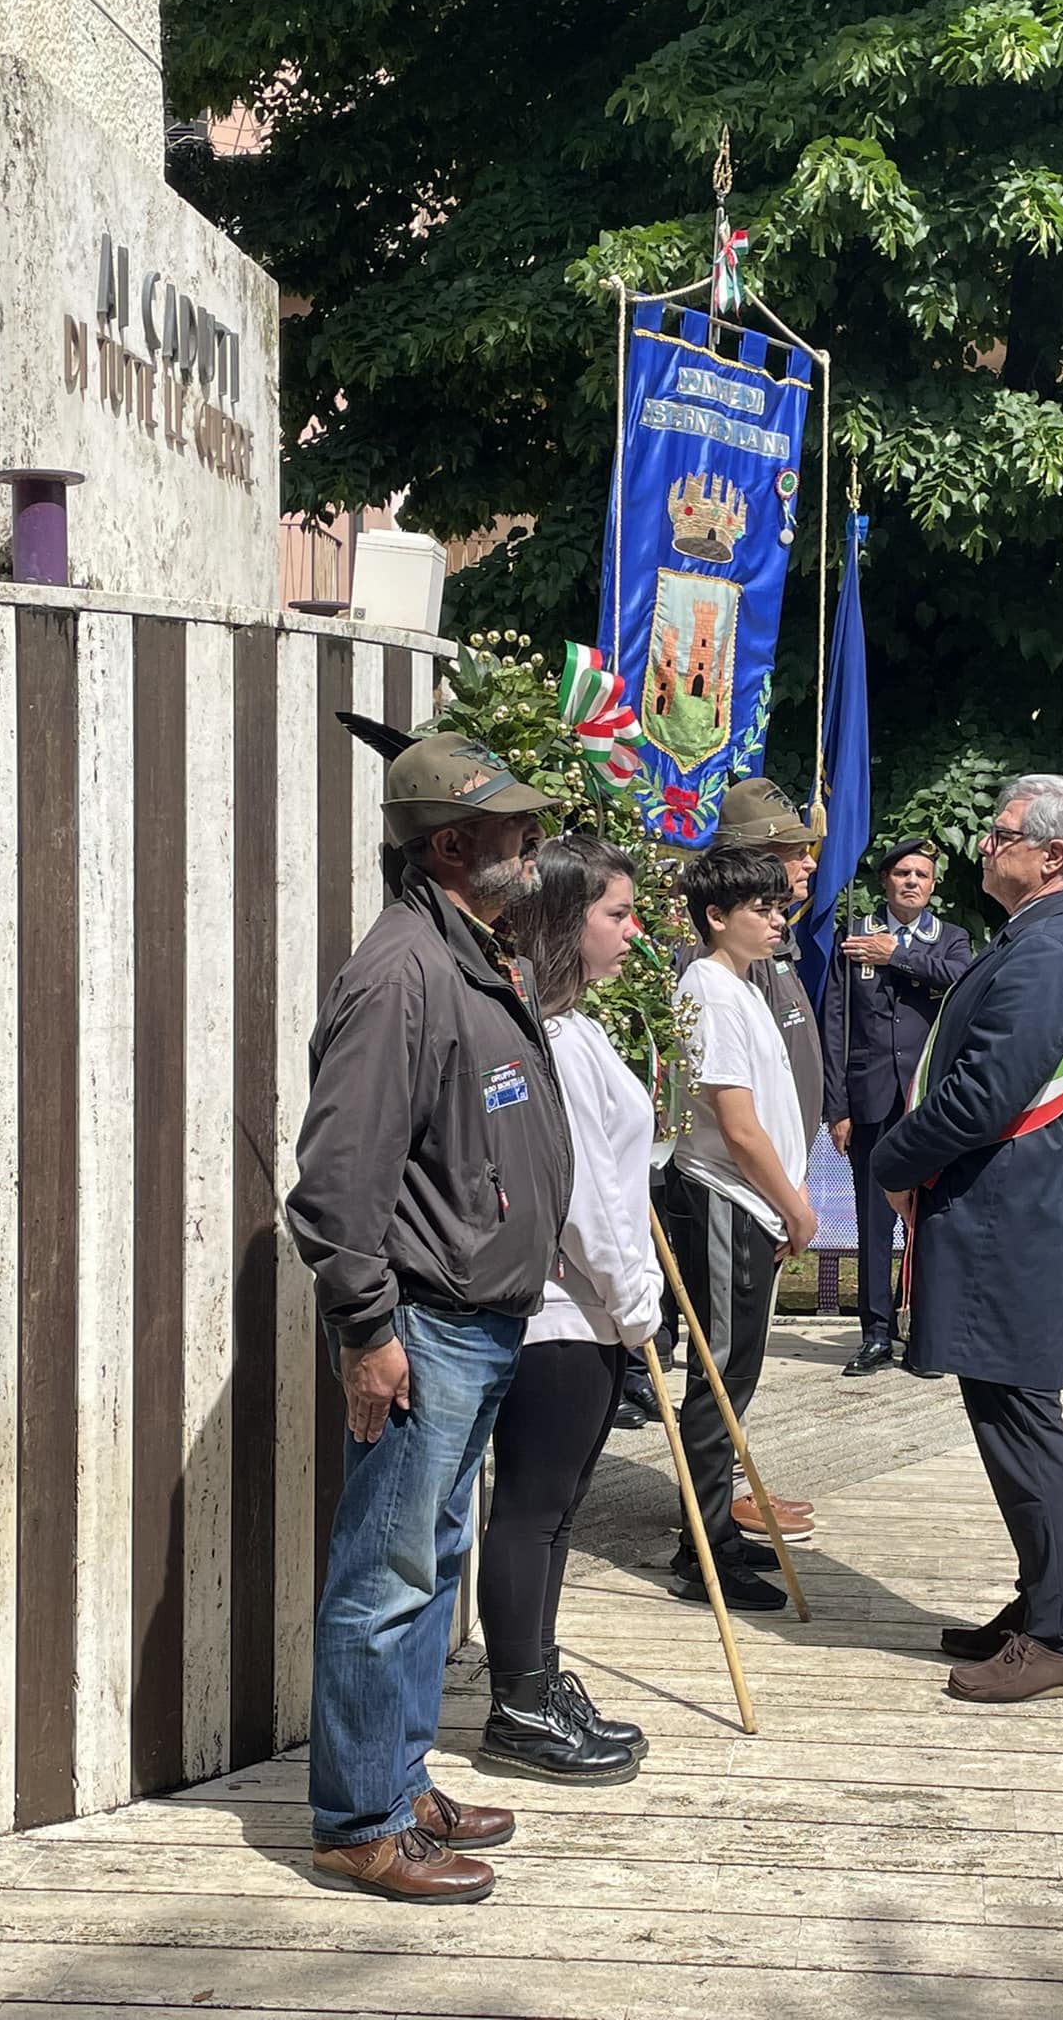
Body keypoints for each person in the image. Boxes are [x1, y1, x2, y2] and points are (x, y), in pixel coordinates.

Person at [288, 731, 571, 1904]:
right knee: (388, 1572)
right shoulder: (405, 969)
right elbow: (336, 1178)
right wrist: (369, 1329)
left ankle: (399, 1783)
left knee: (429, 1558)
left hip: (472, 1317)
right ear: (451, 845)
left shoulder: (467, 953)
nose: (532, 843)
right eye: (513, 829)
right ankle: (361, 1819)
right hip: (427, 1321)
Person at [873, 774, 1063, 1706]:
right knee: (1006, 1414)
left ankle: (1059, 1633)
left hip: (1008, 1216)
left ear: (1051, 857)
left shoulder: (1053, 947)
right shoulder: (1048, 936)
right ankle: (1038, 1601)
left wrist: (895, 1160)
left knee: (1021, 1419)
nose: (985, 845)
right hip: (1007, 1212)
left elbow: (984, 1095)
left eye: (1003, 833)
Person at [475, 835, 665, 1781]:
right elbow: (579, 1190)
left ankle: (539, 1682)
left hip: (594, 1308)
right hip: (561, 1307)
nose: (633, 932)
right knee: (534, 1510)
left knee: (558, 1513)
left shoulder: (576, 1028)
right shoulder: (544, 1039)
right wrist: (636, 1303)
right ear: (563, 921)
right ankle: (517, 1700)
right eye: (617, 915)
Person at [667, 845, 816, 1611]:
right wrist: (793, 1204)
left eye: (777, 905)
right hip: (728, 1198)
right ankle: (703, 1548)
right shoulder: (712, 992)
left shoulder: (742, 983)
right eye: (759, 908)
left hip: (752, 1204)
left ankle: (714, 1521)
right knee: (720, 1375)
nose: (775, 917)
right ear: (716, 917)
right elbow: (736, 1124)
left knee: (737, 1374)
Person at [821, 836, 972, 1378]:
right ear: (886, 880)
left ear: (933, 887)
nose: (912, 882)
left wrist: (897, 955)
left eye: (922, 875)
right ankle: (876, 1333)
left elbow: (962, 981)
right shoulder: (855, 936)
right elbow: (834, 1026)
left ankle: (927, 1332)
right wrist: (835, 1106)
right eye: (903, 873)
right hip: (871, 1100)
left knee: (931, 1219)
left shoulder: (951, 939)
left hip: (929, 1102)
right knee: (874, 1222)